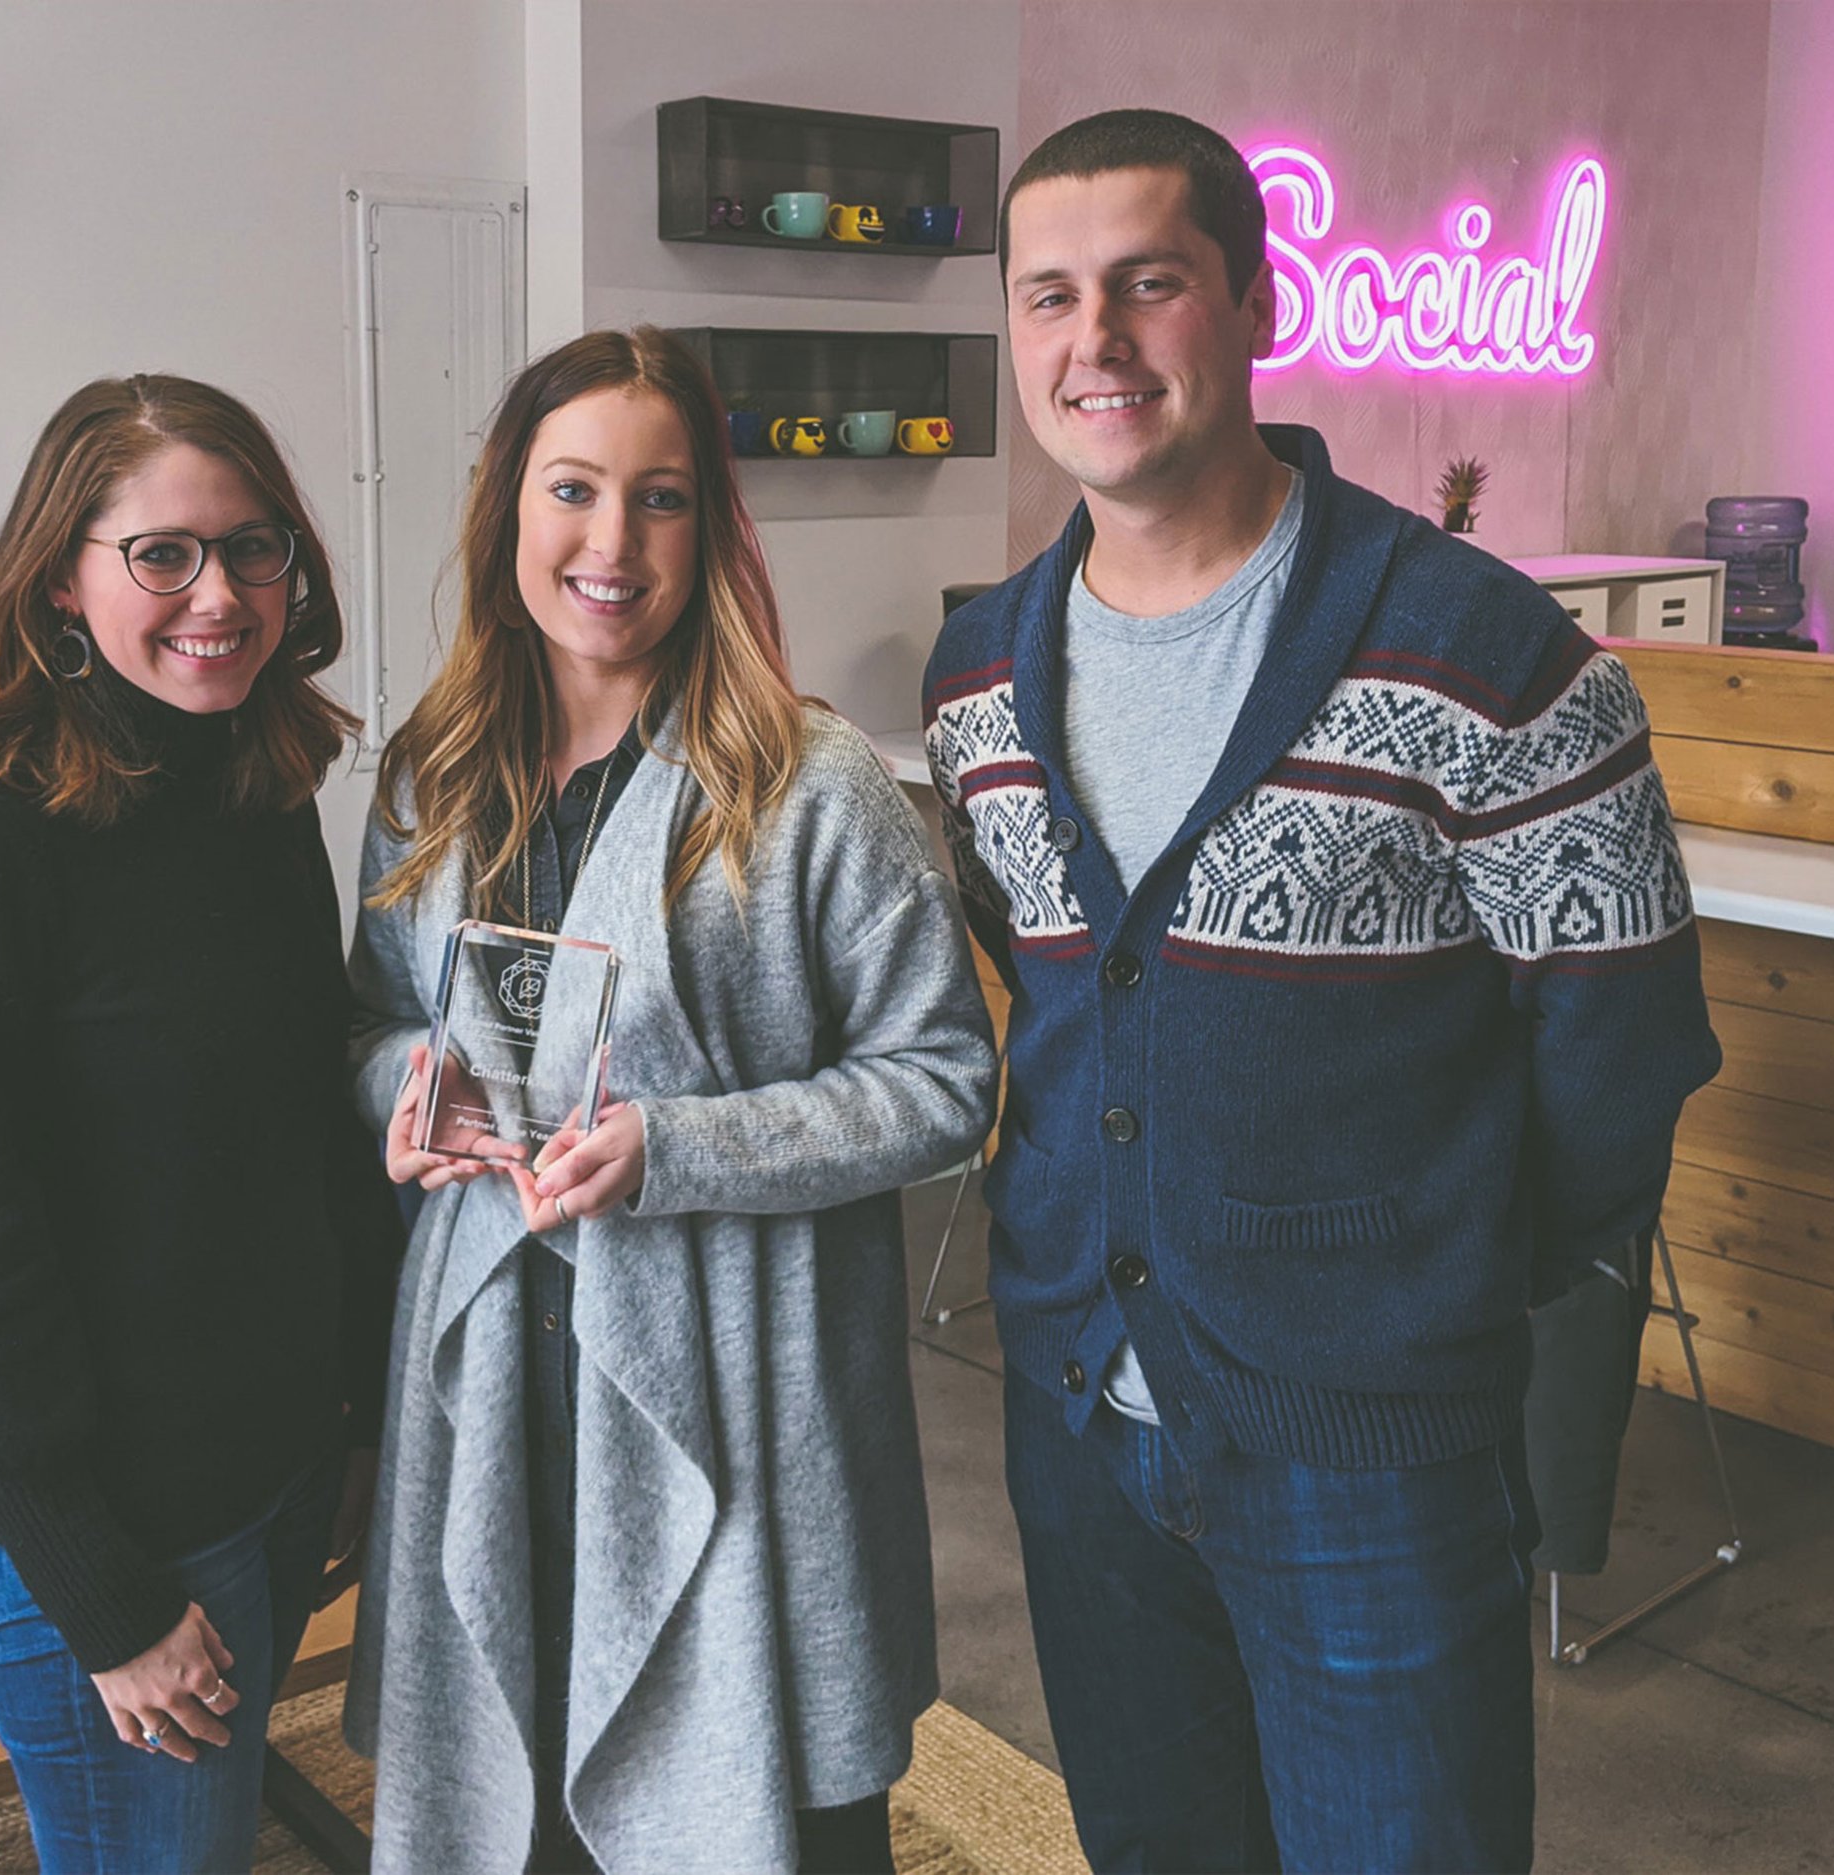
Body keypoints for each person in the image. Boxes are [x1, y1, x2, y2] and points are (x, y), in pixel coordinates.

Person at [922, 110, 1722, 1873]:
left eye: (1150, 282)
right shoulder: (980, 672)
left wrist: (1432, 1282)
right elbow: (1044, 981)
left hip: (1372, 1447)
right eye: (1048, 297)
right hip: (1076, 1412)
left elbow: (1621, 1048)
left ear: (1255, 297)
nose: (1095, 342)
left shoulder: (1493, 653)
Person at [342, 326, 998, 1873]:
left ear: (711, 530)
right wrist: (408, 1084)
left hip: (732, 1378)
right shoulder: (431, 775)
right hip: (499, 1365)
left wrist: (677, 1148)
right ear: (511, 508)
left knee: (755, 1798)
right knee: (521, 1785)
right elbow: (373, 1018)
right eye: (573, 490)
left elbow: (945, 1080)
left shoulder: (807, 781)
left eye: (662, 499)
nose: (610, 543)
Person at [0, 374, 401, 1873]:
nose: (219, 595)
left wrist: (353, 1414)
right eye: (162, 554)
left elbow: (306, 1139)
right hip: (116, 1538)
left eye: (256, 546)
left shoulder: (260, 790)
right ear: (60, 585)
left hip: (276, 1473)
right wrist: (105, 1596)